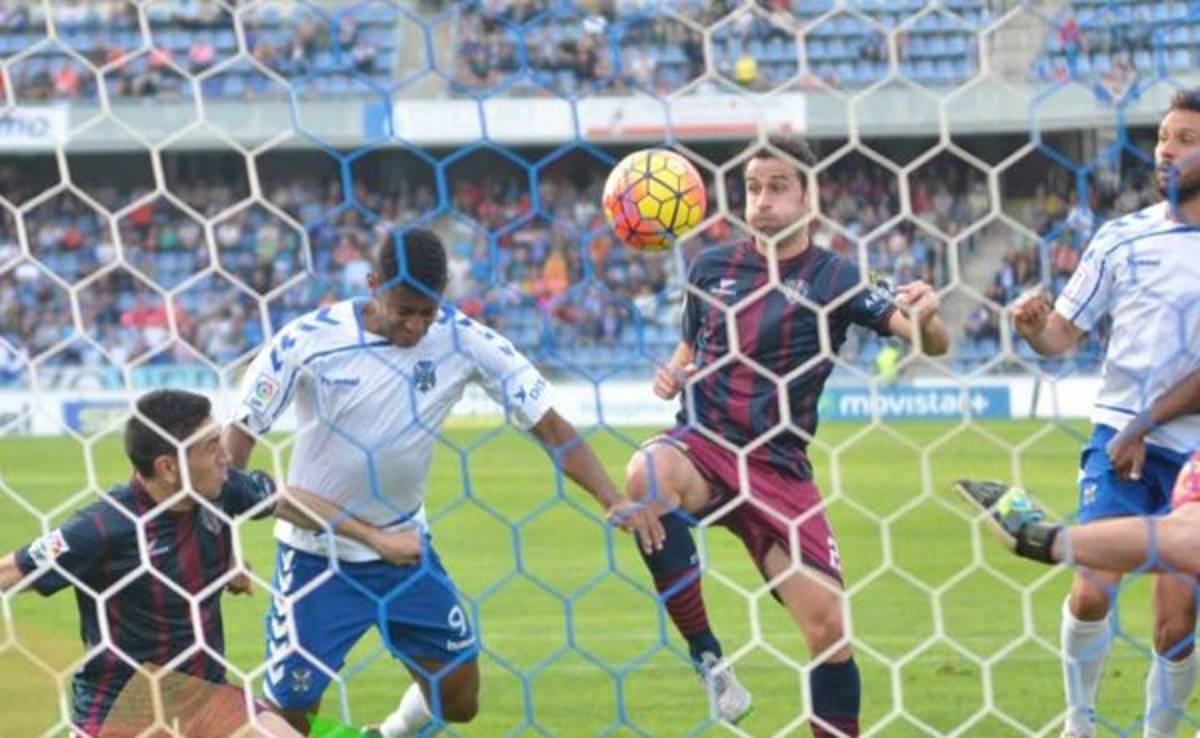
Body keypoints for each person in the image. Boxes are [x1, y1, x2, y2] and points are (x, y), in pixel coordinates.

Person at [223, 227, 663, 737]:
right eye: (403, 310)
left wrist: (611, 498)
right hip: (315, 557)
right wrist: (229, 547)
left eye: (426, 313)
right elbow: (232, 453)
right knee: (289, 717)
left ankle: (387, 734)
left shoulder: (464, 341)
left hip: (405, 550)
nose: (414, 326)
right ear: (372, 284)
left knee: (459, 699)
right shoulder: (307, 340)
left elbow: (551, 425)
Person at [623, 136, 950, 734]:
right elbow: (694, 343)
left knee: (828, 629)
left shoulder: (835, 276)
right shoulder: (710, 267)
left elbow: (923, 338)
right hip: (706, 446)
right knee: (646, 474)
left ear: (808, 196)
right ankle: (709, 660)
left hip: (778, 467)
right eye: (753, 188)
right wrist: (676, 371)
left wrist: (928, 317)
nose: (763, 201)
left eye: (778, 187)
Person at [0, 389, 402, 738]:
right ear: (168, 467)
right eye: (211, 445)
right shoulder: (102, 527)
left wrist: (376, 539)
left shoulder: (221, 492)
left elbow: (287, 501)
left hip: (203, 697)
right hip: (123, 708)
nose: (227, 455)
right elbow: (11, 571)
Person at [1007, 88, 1200, 738]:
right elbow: (1064, 334)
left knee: (1175, 626)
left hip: (1189, 450)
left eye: (1184, 139)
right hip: (1117, 433)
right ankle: (1079, 721)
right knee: (1093, 589)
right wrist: (1036, 326)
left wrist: (1144, 425)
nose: (1166, 150)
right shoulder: (1122, 238)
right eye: (1163, 136)